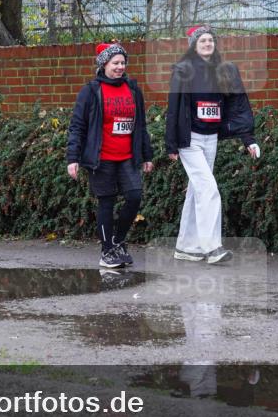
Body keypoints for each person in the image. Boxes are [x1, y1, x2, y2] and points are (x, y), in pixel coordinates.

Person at [165, 25, 260, 264]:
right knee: (208, 189)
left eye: (210, 40)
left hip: (211, 138)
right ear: (194, 46)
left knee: (197, 190)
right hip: (190, 140)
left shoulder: (223, 71)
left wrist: (248, 138)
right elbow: (174, 108)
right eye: (203, 41)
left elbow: (236, 106)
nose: (208, 44)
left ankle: (186, 247)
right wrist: (171, 144)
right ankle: (212, 247)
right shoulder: (183, 71)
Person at [67, 43, 154, 268]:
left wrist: (147, 155)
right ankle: (107, 251)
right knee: (107, 201)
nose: (120, 67)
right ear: (104, 64)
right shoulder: (91, 91)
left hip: (127, 157)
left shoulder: (133, 89)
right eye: (115, 63)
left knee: (134, 196)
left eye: (123, 63)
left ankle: (118, 241)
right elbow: (77, 126)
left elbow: (141, 125)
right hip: (102, 158)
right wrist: (73, 158)